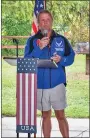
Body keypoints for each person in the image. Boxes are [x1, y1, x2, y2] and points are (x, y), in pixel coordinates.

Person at [24, 10, 75, 138]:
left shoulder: (61, 39)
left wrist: (61, 60)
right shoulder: (31, 41)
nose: (45, 23)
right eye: (42, 20)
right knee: (45, 115)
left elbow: (71, 58)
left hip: (57, 85)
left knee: (60, 115)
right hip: (40, 85)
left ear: (51, 21)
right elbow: (26, 61)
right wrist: (39, 48)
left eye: (48, 20)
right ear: (38, 23)